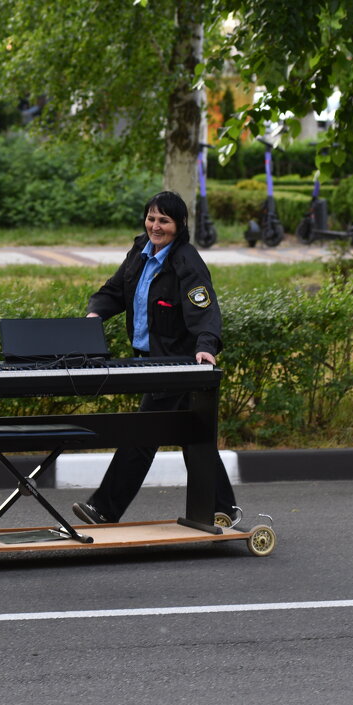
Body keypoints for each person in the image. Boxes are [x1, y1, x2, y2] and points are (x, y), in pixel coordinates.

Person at [71, 190, 241, 528]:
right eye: (151, 218)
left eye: (164, 220)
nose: (155, 226)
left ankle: (104, 509)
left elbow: (205, 309)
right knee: (193, 437)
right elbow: (115, 291)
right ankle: (223, 509)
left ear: (179, 225)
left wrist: (206, 345)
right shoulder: (139, 252)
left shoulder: (186, 261)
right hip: (148, 363)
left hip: (177, 365)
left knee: (143, 433)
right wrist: (94, 315)